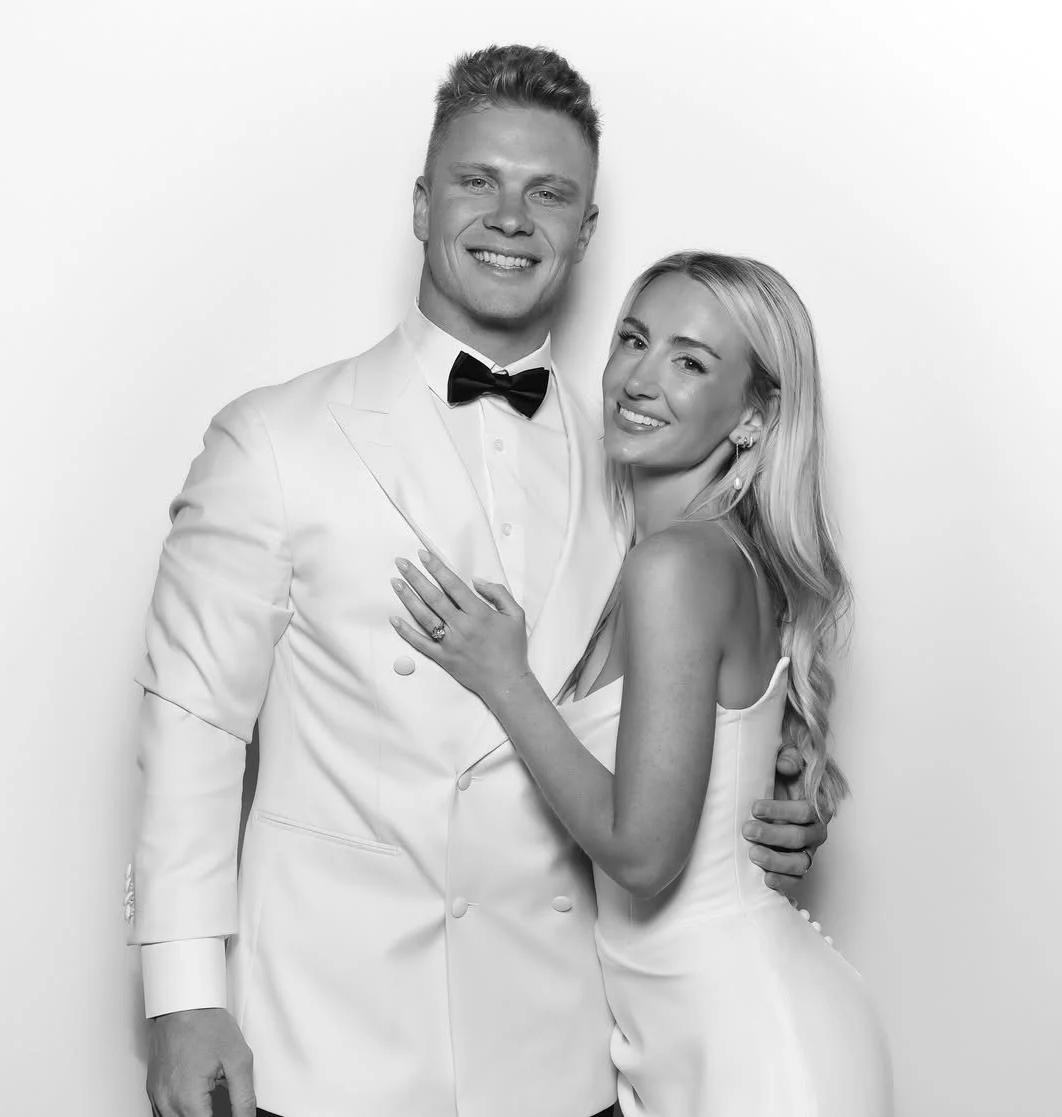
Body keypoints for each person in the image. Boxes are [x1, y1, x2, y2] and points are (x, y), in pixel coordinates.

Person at [127, 47, 829, 1117]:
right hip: (329, 1044)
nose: (511, 215)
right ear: (420, 203)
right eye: (476, 180)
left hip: (567, 1050)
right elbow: (193, 730)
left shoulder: (637, 470)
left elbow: (678, 724)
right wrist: (183, 995)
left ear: (585, 232)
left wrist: (780, 782)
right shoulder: (273, 441)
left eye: (549, 193)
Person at [390, 251, 894, 1115]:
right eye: (633, 338)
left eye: (691, 361)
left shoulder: (680, 565)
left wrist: (504, 679)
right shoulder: (679, 555)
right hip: (675, 1037)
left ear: (754, 416)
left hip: (749, 1045)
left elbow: (646, 854)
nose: (639, 377)